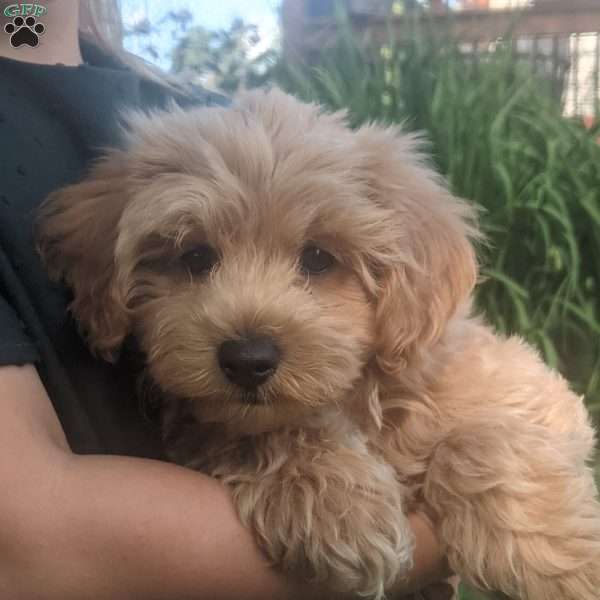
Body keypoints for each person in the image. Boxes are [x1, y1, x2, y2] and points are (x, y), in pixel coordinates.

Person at [0, 1, 453, 597]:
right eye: (195, 259)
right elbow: (28, 546)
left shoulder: (193, 106)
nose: (248, 330)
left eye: (315, 261)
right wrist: (437, 532)